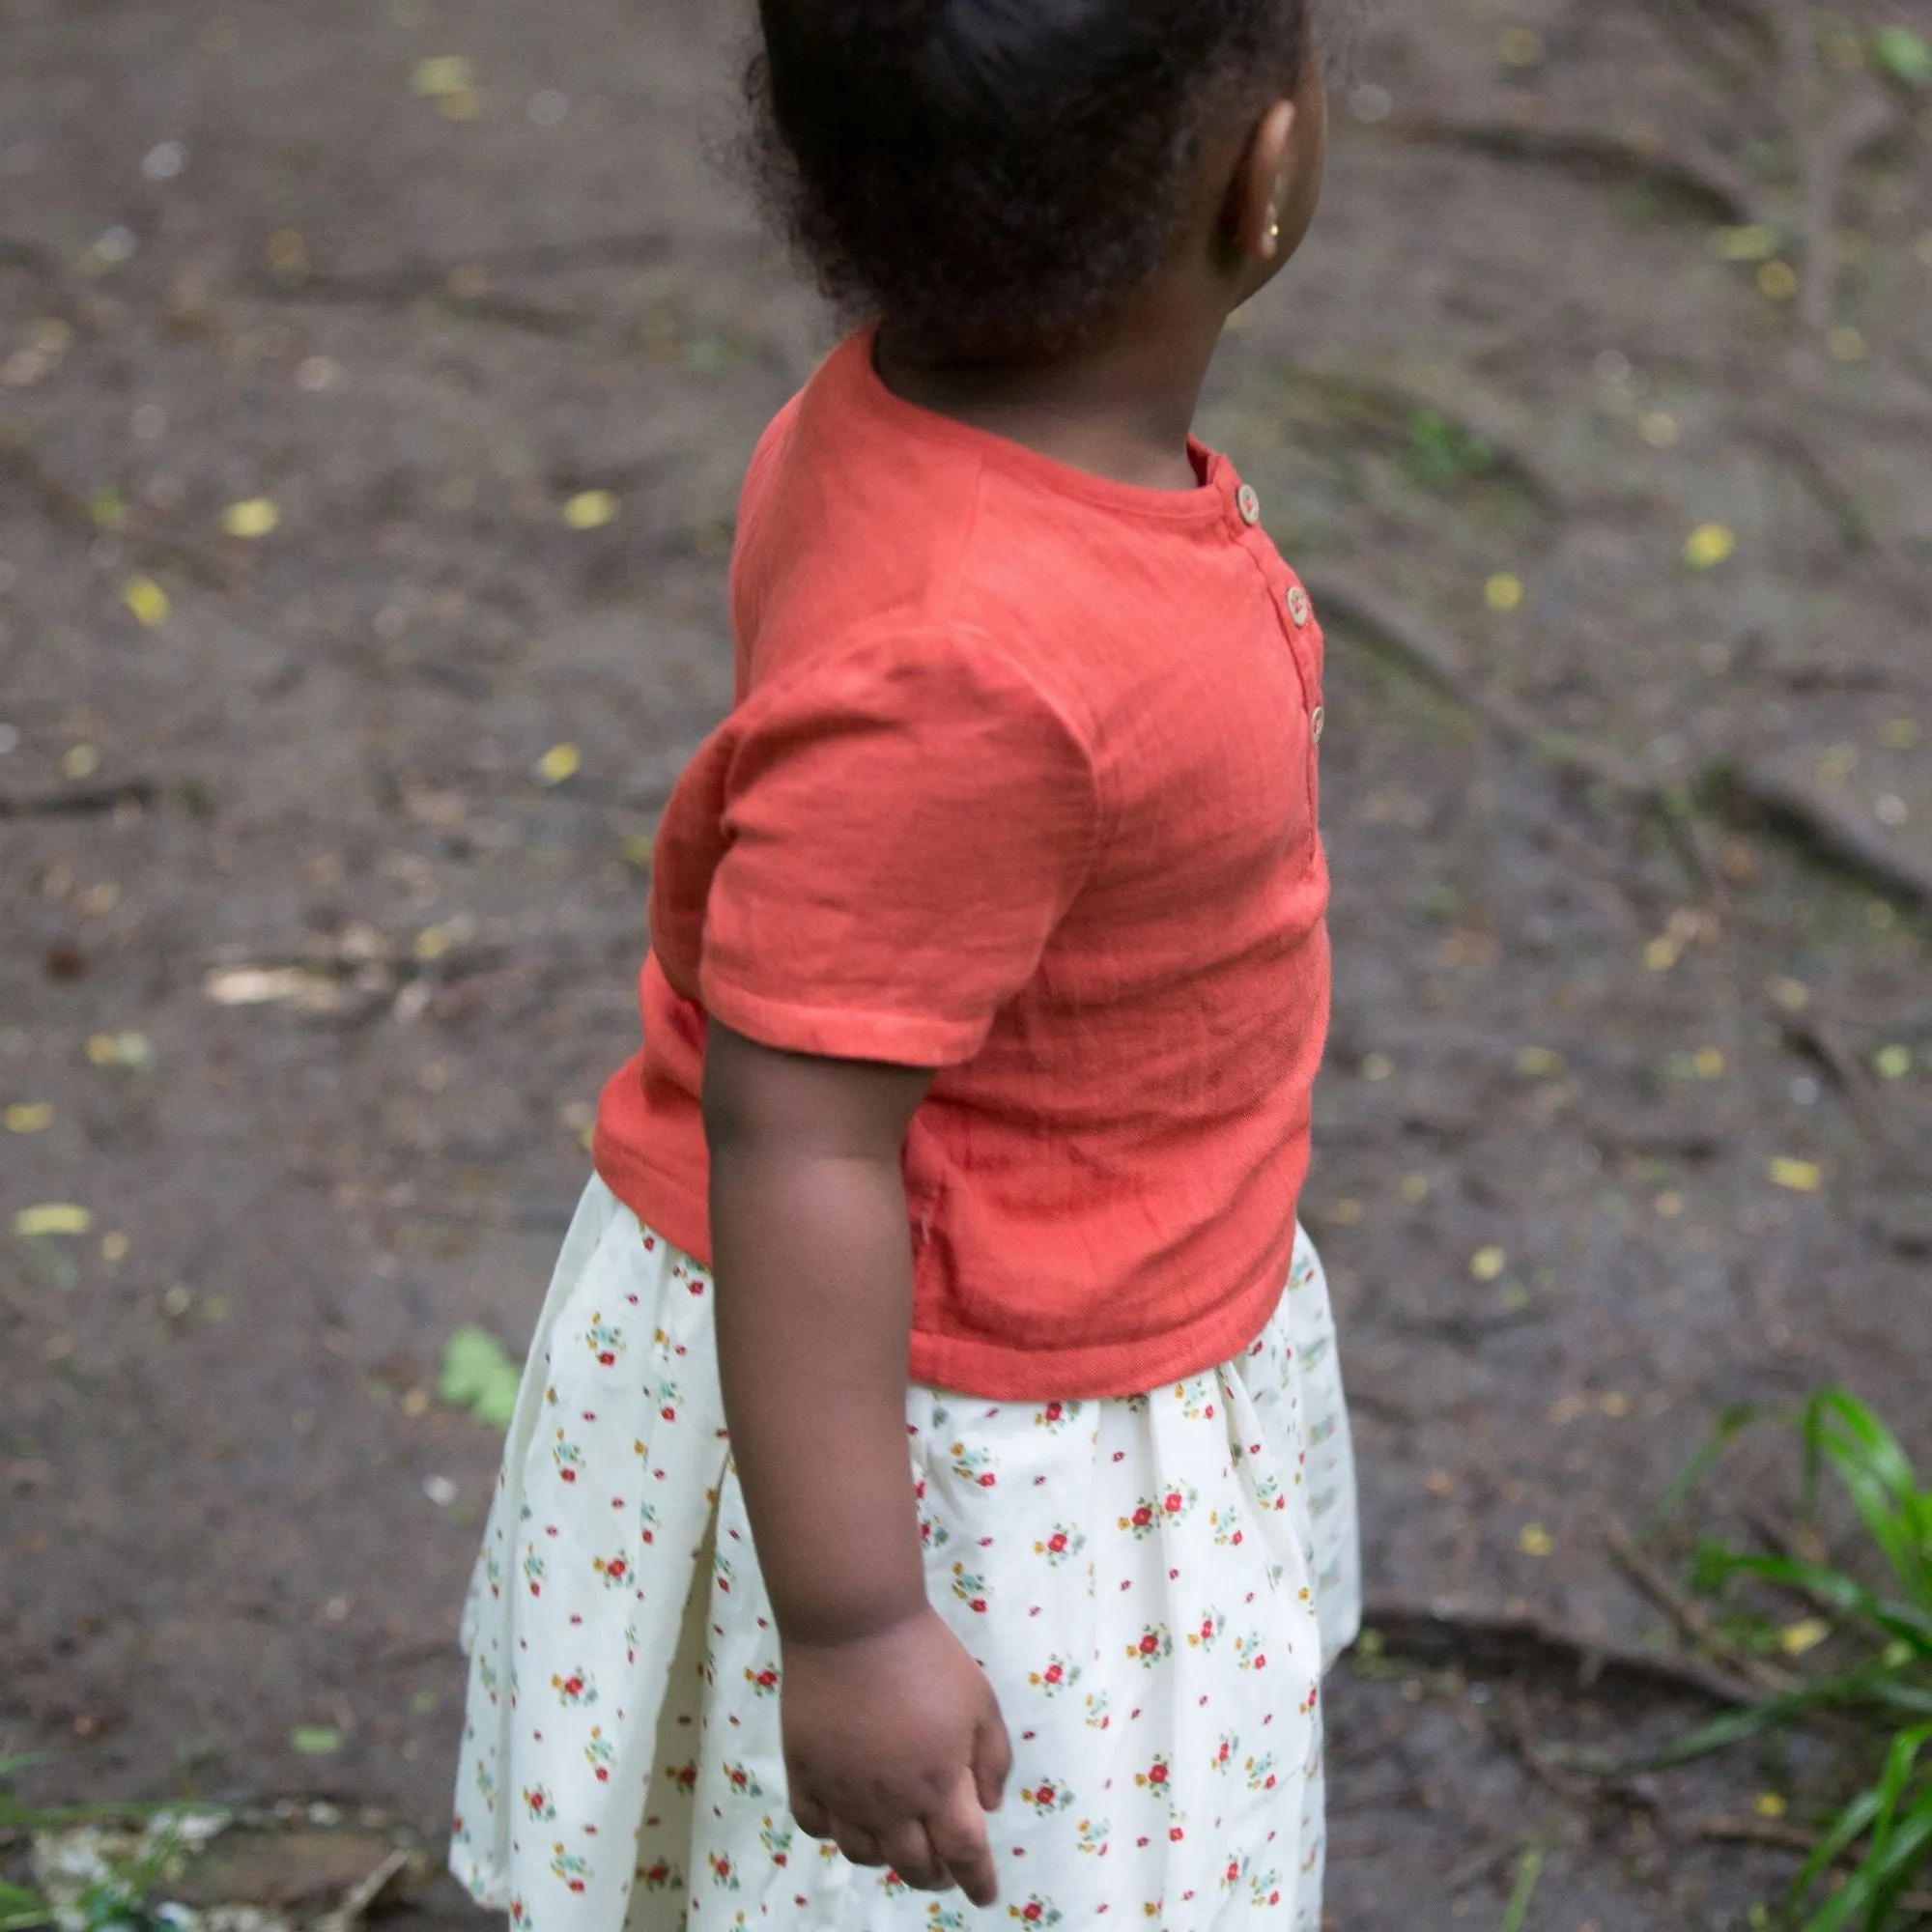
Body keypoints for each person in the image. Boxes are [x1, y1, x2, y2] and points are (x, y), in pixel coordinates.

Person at [450, 0, 1359, 1924]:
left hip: (1080, 1283)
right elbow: (799, 1136)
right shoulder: (976, 668)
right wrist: (857, 1622)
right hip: (965, 1431)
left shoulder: (910, 419)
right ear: (1260, 167)